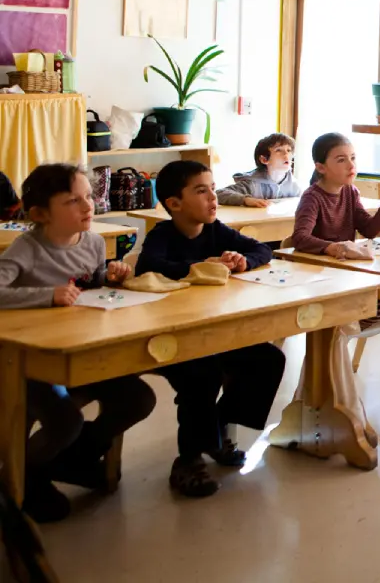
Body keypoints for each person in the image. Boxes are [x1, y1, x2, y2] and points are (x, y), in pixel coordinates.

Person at [0, 164, 156, 522]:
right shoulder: (28, 249)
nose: (88, 206)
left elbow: (90, 285)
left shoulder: (94, 243)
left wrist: (112, 277)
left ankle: (72, 460)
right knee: (64, 420)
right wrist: (44, 295)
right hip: (31, 361)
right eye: (73, 200)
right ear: (40, 213)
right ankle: (26, 473)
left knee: (139, 399)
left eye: (88, 196)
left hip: (83, 352)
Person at [137, 160, 284, 499]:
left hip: (213, 332)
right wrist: (198, 267)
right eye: (201, 191)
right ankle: (188, 461)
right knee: (201, 373)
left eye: (212, 188)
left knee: (267, 359)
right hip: (169, 338)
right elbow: (150, 267)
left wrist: (244, 261)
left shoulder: (217, 230)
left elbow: (262, 249)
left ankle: (216, 429)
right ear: (174, 204)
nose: (212, 198)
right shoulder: (162, 235)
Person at [293, 133, 380, 325]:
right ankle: (339, 328)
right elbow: (300, 238)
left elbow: (369, 230)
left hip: (349, 270)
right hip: (323, 275)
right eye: (341, 160)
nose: (351, 165)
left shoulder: (350, 192)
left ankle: (349, 324)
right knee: (375, 307)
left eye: (353, 158)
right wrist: (334, 247)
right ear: (321, 167)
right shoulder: (312, 197)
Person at [217, 133, 300, 207]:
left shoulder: (295, 186)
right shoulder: (252, 184)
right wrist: (246, 200)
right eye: (278, 150)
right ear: (264, 159)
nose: (286, 154)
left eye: (289, 150)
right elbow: (219, 194)